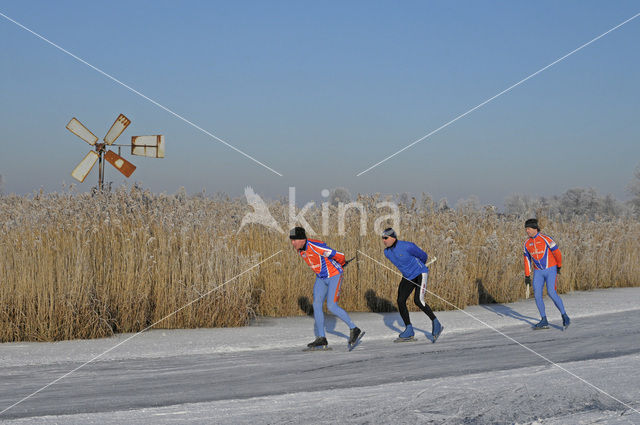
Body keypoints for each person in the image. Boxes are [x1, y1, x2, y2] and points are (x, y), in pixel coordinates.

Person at [289, 226, 362, 349]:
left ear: (302, 239)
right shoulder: (300, 250)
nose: (292, 243)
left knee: (331, 306)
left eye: (294, 240)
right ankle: (322, 338)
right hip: (321, 278)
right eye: (291, 240)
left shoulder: (315, 246)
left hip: (334, 275)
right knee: (316, 305)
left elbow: (339, 255)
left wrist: (342, 263)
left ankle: (354, 328)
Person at [381, 227, 443, 342]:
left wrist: (419, 267)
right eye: (382, 238)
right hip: (408, 277)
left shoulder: (407, 246)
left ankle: (436, 323)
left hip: (420, 273)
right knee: (400, 300)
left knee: (418, 300)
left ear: (393, 238)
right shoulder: (387, 253)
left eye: (386, 238)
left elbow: (424, 256)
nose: (384, 240)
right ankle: (409, 330)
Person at [523, 218, 570, 329]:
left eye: (529, 228)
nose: (527, 231)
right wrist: (527, 276)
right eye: (526, 229)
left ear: (535, 228)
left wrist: (559, 266)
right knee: (537, 295)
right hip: (538, 272)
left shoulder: (546, 239)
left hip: (550, 269)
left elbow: (557, 253)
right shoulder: (526, 243)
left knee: (551, 292)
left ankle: (564, 315)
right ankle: (544, 320)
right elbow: (526, 260)